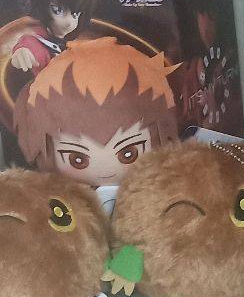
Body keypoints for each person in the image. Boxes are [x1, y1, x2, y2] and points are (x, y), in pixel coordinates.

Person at [13, 36, 177, 214]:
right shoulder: (60, 200)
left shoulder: (157, 190)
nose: (106, 171)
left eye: (128, 153)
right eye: (77, 159)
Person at [8, 0, 98, 76]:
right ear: (39, 6)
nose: (69, 22)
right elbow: (29, 46)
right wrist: (22, 52)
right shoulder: (36, 40)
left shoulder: (71, 41)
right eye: (57, 10)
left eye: (75, 14)